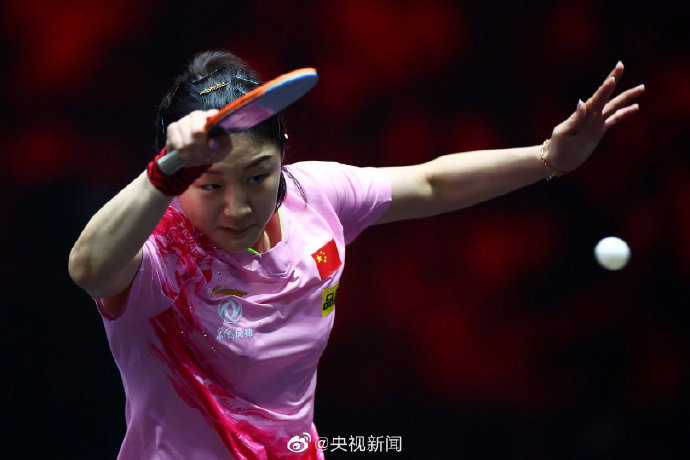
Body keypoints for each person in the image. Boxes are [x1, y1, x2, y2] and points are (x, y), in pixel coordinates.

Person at [68, 50, 644, 459]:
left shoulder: (314, 198)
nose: (238, 207)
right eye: (210, 185)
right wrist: (165, 171)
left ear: (283, 154)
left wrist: (548, 158)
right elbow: (88, 269)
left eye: (257, 176)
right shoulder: (161, 254)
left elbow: (431, 183)